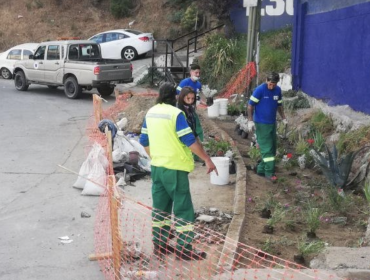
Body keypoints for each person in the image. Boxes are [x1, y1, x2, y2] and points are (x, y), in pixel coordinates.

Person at [139, 82, 218, 261]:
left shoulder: (150, 113)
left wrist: (155, 157)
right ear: (175, 97)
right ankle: (184, 249)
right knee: (183, 210)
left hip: (157, 168)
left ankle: (159, 246)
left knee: (160, 210)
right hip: (175, 169)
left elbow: (144, 140)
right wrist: (207, 159)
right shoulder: (176, 114)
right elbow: (189, 140)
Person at [247, 72, 287, 181]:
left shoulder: (277, 90)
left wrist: (283, 118)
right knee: (267, 149)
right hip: (261, 124)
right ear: (266, 80)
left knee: (273, 148)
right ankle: (269, 172)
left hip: (272, 123)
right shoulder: (260, 90)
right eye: (270, 84)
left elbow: (279, 105)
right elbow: (250, 106)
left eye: (274, 84)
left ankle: (261, 169)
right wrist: (250, 121)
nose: (271, 86)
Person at [176, 64, 204, 142]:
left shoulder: (198, 84)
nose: (198, 75)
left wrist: (202, 102)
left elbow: (197, 96)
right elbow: (177, 94)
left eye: (199, 73)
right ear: (191, 72)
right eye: (196, 73)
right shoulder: (184, 82)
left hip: (192, 107)